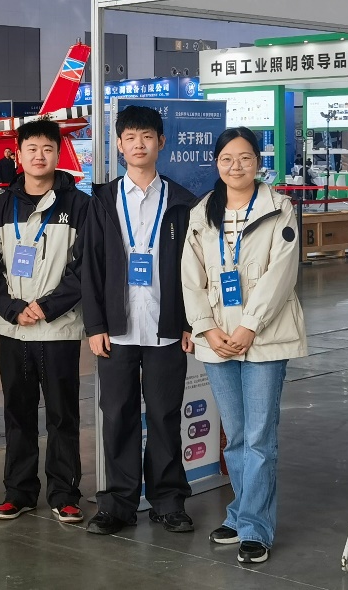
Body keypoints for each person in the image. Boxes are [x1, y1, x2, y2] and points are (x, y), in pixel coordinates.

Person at [181, 127, 307, 565]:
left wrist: (250, 326)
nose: (236, 167)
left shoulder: (279, 208)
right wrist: (206, 328)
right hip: (217, 338)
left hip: (265, 337)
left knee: (258, 437)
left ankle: (255, 527)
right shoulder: (202, 213)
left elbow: (281, 274)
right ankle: (239, 514)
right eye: (227, 159)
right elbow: (191, 277)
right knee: (235, 436)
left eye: (245, 158)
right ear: (216, 163)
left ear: (258, 161)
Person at [81, 104, 197, 537]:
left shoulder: (182, 201)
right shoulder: (102, 201)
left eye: (147, 136)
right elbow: (90, 266)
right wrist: (95, 325)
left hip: (166, 328)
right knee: (118, 416)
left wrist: (189, 322)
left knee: (165, 416)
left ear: (160, 142)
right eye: (130, 137)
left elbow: (194, 269)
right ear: (119, 144)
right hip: (117, 329)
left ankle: (168, 501)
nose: (139, 144)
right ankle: (118, 505)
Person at [0, 120, 91, 524]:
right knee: (18, 413)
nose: (39, 156)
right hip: (14, 329)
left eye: (47, 148)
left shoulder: (79, 206)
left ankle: (64, 493)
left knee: (63, 415)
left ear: (58, 153)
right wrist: (12, 308)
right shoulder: (0, 207)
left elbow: (85, 266)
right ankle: (19, 492)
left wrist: (47, 307)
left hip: (59, 328)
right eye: (31, 148)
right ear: (18, 154)